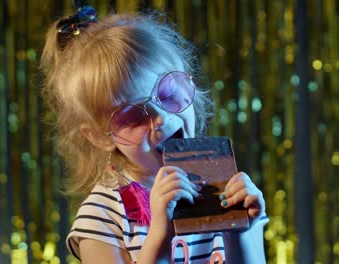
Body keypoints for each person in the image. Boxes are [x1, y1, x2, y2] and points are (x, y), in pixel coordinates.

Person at [40, 4, 268, 264]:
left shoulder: (228, 188)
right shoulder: (101, 215)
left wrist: (238, 233)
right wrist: (161, 234)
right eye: (133, 116)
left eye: (169, 93)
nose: (162, 118)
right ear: (99, 136)